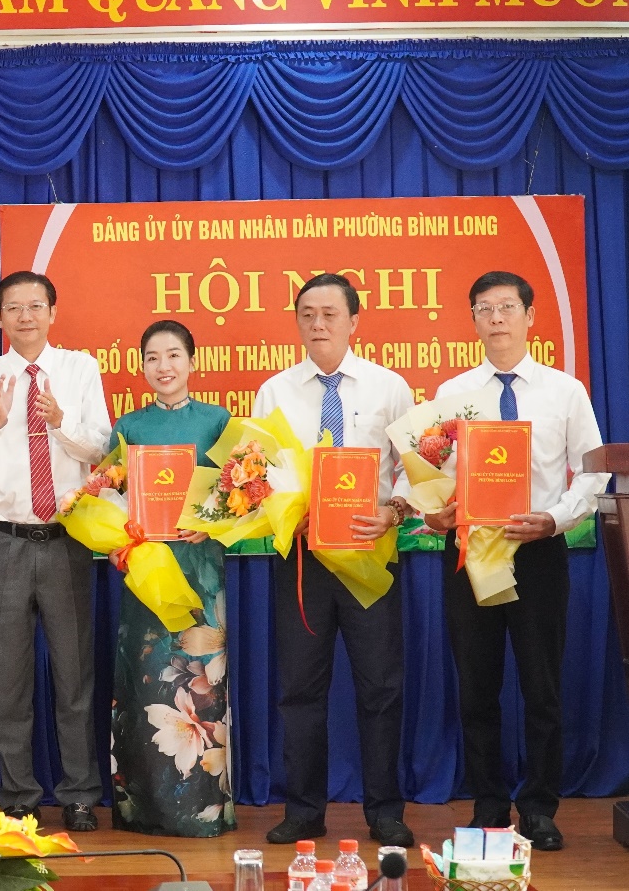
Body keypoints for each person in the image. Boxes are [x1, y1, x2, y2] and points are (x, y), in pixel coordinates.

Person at [423, 271, 608, 852]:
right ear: (473, 321)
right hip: (471, 552)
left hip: (538, 551)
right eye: (484, 308)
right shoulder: (453, 393)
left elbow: (595, 472)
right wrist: (435, 511)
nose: (496, 318)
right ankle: (488, 803)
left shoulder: (565, 391)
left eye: (507, 307)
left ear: (530, 316)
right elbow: (430, 473)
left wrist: (554, 519)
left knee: (541, 686)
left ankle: (539, 807)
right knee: (476, 686)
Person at [251, 273, 416, 848]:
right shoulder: (274, 391)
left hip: (371, 555)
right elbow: (260, 473)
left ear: (354, 321)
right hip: (303, 559)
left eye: (329, 314)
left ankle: (385, 811)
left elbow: (415, 470)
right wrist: (282, 511)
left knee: (381, 687)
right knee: (299, 689)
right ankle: (304, 811)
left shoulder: (389, 387)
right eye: (307, 314)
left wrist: (394, 510)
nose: (317, 324)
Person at [0, 270, 111, 831]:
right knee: (10, 676)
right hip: (6, 543)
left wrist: (61, 425)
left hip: (67, 538)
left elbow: (102, 449)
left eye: (36, 306)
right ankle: (18, 794)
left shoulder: (80, 369)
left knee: (74, 676)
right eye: (14, 308)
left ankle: (79, 794)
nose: (26, 316)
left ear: (52, 312)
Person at [108, 320, 234, 837]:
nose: (164, 366)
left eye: (174, 355)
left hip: (200, 571)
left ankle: (203, 810)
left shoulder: (218, 421)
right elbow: (108, 496)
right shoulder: (128, 428)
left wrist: (213, 521)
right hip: (147, 572)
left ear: (192, 362)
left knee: (202, 685)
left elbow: (240, 492)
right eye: (153, 358)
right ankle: (143, 808)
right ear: (141, 367)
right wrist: (120, 533)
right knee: (147, 681)